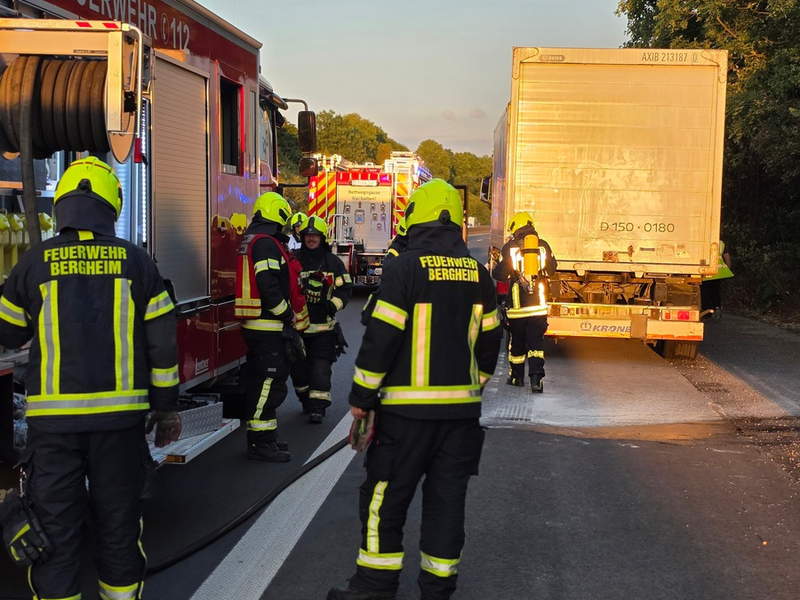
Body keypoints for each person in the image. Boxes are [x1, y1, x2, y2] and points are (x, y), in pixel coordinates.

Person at [0, 157, 181, 600]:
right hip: (120, 428)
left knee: (55, 535)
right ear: (110, 207)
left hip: (54, 431)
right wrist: (167, 408)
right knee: (118, 529)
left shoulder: (33, 263)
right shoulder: (137, 262)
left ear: (62, 206)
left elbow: (8, 331)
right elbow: (162, 347)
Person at [327, 179, 502, 600]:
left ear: (415, 222)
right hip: (460, 421)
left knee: (384, 500)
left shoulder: (404, 268)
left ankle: (374, 586)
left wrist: (361, 399)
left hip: (404, 420)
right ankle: (438, 590)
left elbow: (381, 338)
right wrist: (469, 388)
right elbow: (492, 341)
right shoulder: (479, 275)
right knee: (446, 504)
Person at [234, 191, 300, 462]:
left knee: (262, 382)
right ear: (279, 215)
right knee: (269, 384)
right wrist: (287, 315)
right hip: (268, 326)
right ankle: (260, 442)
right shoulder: (266, 244)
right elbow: (269, 285)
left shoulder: (255, 239)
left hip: (260, 325)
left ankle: (266, 438)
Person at [291, 215, 352, 423]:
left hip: (323, 330)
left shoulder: (333, 263)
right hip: (297, 328)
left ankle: (318, 407)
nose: (311, 239)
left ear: (322, 237)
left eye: (315, 235)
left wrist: (331, 305)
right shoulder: (293, 259)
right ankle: (305, 400)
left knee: (320, 369)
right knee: (298, 373)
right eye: (308, 235)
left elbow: (345, 289)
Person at [492, 211, 557, 393]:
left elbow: (499, 275)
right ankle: (536, 380)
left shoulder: (510, 247)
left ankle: (516, 377)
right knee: (536, 345)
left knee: (517, 344)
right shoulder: (543, 246)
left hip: (518, 308)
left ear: (515, 227)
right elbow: (552, 270)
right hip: (538, 307)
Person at [701, 240, 733, 321]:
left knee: (705, 293)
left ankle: (707, 313)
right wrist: (726, 270)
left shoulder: (704, 241)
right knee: (715, 292)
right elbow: (727, 258)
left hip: (706, 273)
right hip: (718, 273)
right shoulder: (721, 244)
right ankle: (717, 308)